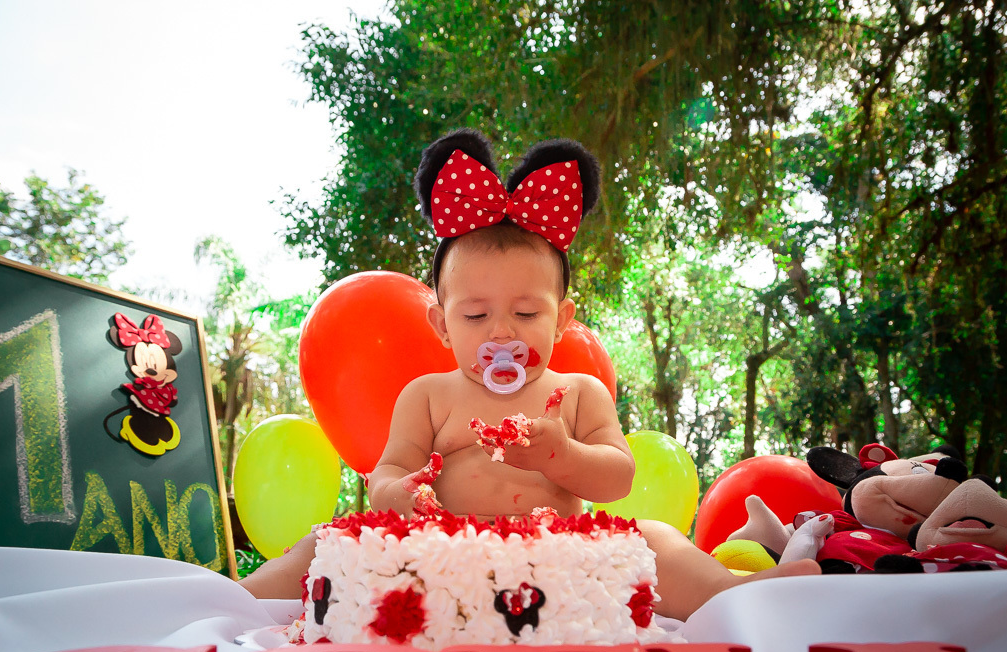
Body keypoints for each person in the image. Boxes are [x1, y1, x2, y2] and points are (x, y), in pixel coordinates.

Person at [240, 129, 819, 618]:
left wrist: (561, 457)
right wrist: (397, 492)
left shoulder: (577, 393)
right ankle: (238, 596)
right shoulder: (429, 396)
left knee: (657, 541)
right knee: (326, 541)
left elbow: (616, 477)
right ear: (442, 325)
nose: (500, 334)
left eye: (524, 313)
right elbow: (388, 468)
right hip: (442, 549)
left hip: (555, 553)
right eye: (475, 315)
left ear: (561, 320)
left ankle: (730, 592)